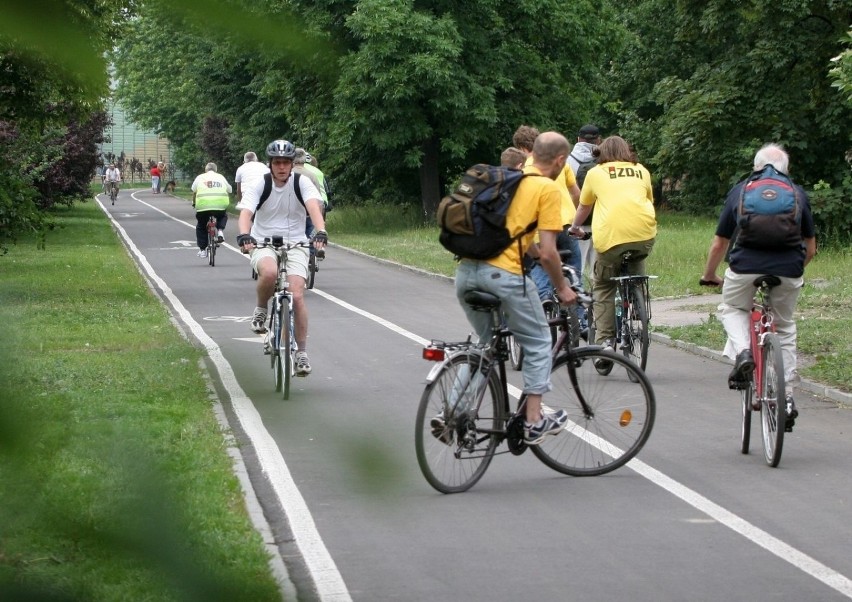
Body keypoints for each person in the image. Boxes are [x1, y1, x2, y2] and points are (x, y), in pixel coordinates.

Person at [451, 131, 577, 444]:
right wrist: (562, 288)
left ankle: (452, 414)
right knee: (536, 342)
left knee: (483, 346)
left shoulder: (507, 181)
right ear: (560, 160)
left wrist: (537, 255)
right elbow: (548, 252)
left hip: (466, 273)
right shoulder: (546, 188)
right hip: (504, 277)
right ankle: (534, 421)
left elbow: (527, 243)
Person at [700, 143, 816, 431]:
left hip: (745, 267)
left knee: (732, 307)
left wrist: (710, 274)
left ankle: (742, 352)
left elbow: (720, 243)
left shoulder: (741, 190)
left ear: (756, 166)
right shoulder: (797, 193)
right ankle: (787, 396)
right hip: (788, 268)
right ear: (786, 170)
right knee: (785, 326)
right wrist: (793, 273)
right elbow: (810, 248)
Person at [236, 139, 327, 376]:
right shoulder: (260, 184)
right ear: (270, 164)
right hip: (263, 241)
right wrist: (245, 235)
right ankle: (260, 309)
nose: (282, 167)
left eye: (286, 162)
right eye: (277, 162)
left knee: (296, 295)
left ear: (291, 164)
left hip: (296, 242)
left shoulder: (302, 182)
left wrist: (320, 231)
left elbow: (314, 208)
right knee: (269, 272)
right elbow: (246, 212)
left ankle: (302, 352)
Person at [568, 135, 657, 365]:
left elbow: (584, 207)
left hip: (610, 239)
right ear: (627, 151)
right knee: (635, 268)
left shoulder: (595, 173)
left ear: (601, 153)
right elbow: (647, 200)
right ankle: (638, 304)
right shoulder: (642, 170)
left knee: (604, 286)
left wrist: (575, 227)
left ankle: (605, 344)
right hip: (645, 234)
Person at [512, 126, 583, 303]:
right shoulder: (555, 173)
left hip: (535, 232)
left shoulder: (521, 171)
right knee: (574, 276)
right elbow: (576, 194)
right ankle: (579, 321)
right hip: (565, 223)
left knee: (540, 270)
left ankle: (544, 304)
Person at [568, 124, 602, 279]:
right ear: (598, 140)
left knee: (577, 267)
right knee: (597, 270)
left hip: (576, 221)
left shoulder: (567, 161)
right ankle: (598, 302)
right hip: (600, 220)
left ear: (578, 139)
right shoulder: (603, 161)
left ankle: (577, 301)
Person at [190, 162, 232, 258]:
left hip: (203, 206)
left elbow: (194, 191)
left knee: (201, 225)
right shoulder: (221, 177)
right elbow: (230, 190)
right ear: (216, 170)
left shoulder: (200, 177)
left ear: (206, 170)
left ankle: (202, 250)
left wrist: (194, 203)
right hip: (220, 205)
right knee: (223, 215)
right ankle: (220, 231)